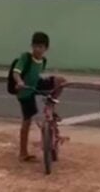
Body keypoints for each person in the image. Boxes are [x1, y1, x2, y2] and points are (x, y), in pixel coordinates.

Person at [13, 32, 67, 162]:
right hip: (25, 91)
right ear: (31, 46)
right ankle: (23, 153)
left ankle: (50, 105)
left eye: (41, 47)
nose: (37, 49)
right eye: (35, 46)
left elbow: (36, 75)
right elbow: (16, 72)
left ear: (46, 48)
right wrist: (19, 82)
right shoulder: (25, 57)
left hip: (36, 84)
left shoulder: (43, 61)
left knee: (61, 81)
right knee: (27, 121)